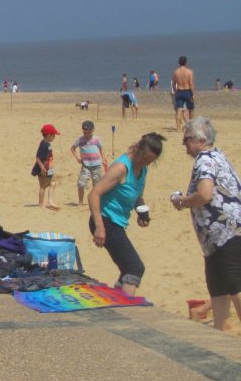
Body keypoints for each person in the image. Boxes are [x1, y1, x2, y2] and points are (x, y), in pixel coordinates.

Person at [174, 117, 241, 331]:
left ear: (199, 139)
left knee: (234, 285)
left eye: (186, 140)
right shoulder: (218, 155)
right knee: (219, 290)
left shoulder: (205, 158)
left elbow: (204, 194)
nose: (184, 145)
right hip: (216, 239)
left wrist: (183, 201)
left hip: (225, 234)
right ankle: (219, 342)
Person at [87, 132, 164, 296]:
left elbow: (136, 195)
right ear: (137, 148)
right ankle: (126, 308)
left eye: (150, 162)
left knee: (127, 268)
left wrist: (141, 212)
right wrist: (99, 227)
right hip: (105, 220)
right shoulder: (121, 168)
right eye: (144, 159)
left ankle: (118, 301)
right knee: (134, 267)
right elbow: (94, 194)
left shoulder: (142, 169)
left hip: (117, 223)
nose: (145, 163)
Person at [70, 120, 108, 206]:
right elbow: (72, 148)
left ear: (93, 130)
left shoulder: (96, 139)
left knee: (97, 185)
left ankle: (97, 202)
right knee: (81, 184)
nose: (87, 134)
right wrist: (77, 158)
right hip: (85, 166)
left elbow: (102, 148)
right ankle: (80, 202)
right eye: (85, 132)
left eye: (89, 132)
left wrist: (104, 158)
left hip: (97, 166)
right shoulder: (80, 140)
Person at [32, 124, 60, 211]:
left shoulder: (47, 143)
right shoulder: (44, 144)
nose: (54, 137)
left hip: (48, 168)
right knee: (42, 187)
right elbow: (37, 158)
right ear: (48, 135)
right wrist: (42, 168)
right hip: (43, 169)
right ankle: (41, 204)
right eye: (53, 135)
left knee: (53, 183)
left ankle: (50, 201)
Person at [172, 55, 195, 131]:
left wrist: (175, 92)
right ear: (186, 62)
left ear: (179, 62)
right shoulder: (189, 72)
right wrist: (193, 93)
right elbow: (191, 83)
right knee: (191, 109)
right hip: (187, 91)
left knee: (179, 109)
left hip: (179, 91)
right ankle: (191, 127)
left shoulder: (176, 72)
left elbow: (173, 84)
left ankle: (178, 128)